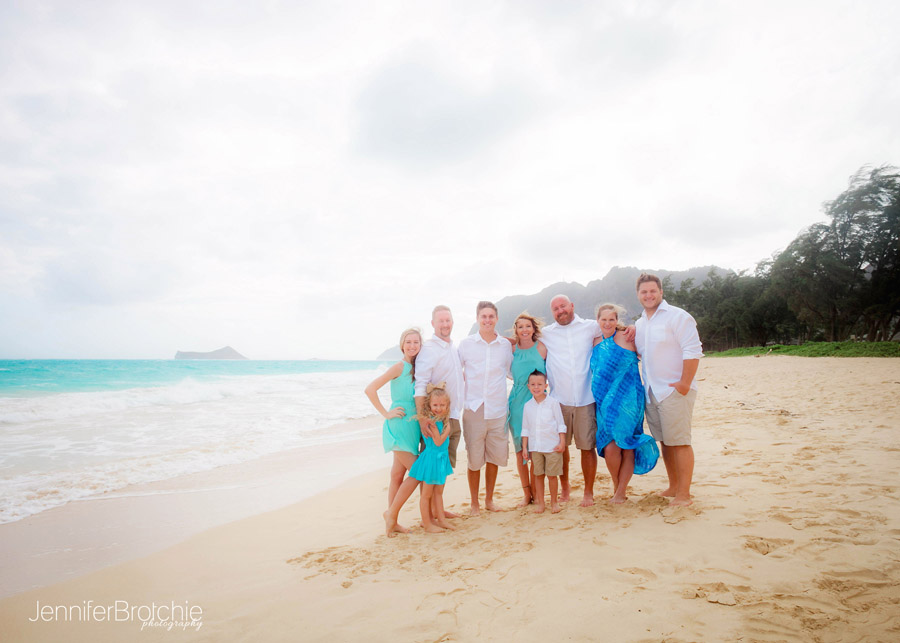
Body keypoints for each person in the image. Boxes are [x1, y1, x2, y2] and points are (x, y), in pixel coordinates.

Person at [634, 273, 703, 507]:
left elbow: (693, 350)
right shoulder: (640, 324)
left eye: (653, 291)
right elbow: (642, 354)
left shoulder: (678, 317)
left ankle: (684, 494)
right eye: (644, 292)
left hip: (674, 389)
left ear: (661, 292)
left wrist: (684, 383)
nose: (649, 295)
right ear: (638, 295)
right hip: (652, 391)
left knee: (680, 442)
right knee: (665, 442)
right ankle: (674, 486)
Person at [590, 304, 659, 504]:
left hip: (628, 401)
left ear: (616, 320)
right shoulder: (594, 342)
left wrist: (637, 328)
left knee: (626, 445)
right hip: (603, 404)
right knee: (610, 447)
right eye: (604, 319)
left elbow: (652, 348)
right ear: (597, 320)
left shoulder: (629, 337)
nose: (607, 323)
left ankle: (620, 492)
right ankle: (617, 486)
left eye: (611, 319)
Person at [539, 294, 602, 506]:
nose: (560, 311)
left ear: (572, 306)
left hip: (586, 398)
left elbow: (614, 327)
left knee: (587, 447)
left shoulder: (591, 327)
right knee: (561, 448)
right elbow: (523, 340)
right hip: (559, 400)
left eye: (563, 306)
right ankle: (565, 489)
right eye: (555, 308)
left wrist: (631, 330)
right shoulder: (546, 334)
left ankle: (588, 492)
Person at [457, 301, 513, 515]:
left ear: (496, 319)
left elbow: (511, 372)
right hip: (474, 409)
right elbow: (454, 371)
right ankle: (474, 503)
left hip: (498, 408)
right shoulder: (466, 344)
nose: (487, 320)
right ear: (477, 319)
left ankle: (489, 500)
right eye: (484, 316)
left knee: (494, 457)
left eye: (491, 316)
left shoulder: (505, 345)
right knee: (474, 458)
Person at [364, 328, 423, 521]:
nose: (412, 346)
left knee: (397, 475)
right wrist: (386, 413)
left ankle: (393, 522)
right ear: (402, 345)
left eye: (416, 342)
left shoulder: (419, 369)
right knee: (417, 472)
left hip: (412, 428)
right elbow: (370, 389)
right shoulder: (399, 367)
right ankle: (391, 514)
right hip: (398, 425)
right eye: (408, 342)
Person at [383, 385, 455, 537]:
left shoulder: (440, 419)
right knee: (426, 494)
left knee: (438, 492)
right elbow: (437, 442)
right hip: (430, 461)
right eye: (435, 405)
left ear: (447, 405)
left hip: (440, 460)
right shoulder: (431, 422)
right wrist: (447, 431)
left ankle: (441, 519)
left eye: (442, 405)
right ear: (429, 405)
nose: (438, 408)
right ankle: (427, 523)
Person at [414, 305, 465, 519]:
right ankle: (431, 513)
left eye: (448, 320)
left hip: (452, 417)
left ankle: (438, 508)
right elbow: (420, 384)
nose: (445, 324)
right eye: (441, 321)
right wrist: (422, 419)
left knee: (444, 466)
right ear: (433, 324)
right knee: (432, 468)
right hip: (434, 421)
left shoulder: (453, 348)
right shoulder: (429, 349)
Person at [505, 312, 547, 507]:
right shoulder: (511, 349)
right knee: (521, 450)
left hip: (538, 402)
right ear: (516, 330)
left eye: (527, 326)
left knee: (536, 450)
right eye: (520, 326)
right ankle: (526, 494)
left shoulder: (542, 348)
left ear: (533, 328)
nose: (524, 330)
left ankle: (538, 493)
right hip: (517, 403)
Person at [521, 371, 567, 514]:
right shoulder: (527, 406)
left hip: (552, 446)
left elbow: (560, 424)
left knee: (552, 475)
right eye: (533, 385)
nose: (536, 387)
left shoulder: (553, 403)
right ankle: (541, 503)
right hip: (536, 447)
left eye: (539, 384)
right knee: (538, 475)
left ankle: (554, 502)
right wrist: (524, 448)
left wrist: (562, 442)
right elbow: (525, 428)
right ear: (528, 386)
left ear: (546, 385)